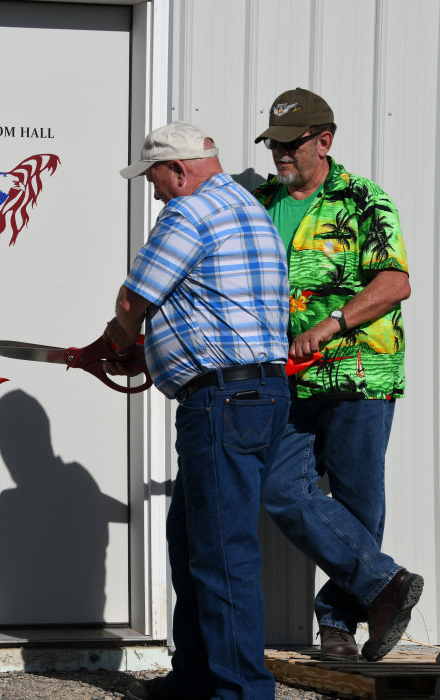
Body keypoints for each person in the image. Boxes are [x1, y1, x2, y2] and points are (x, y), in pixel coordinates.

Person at [105, 122, 291, 700]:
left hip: (220, 402)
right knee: (193, 540)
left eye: (156, 179)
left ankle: (242, 693)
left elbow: (135, 298)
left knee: (221, 554)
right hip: (260, 395)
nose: (155, 192)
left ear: (180, 171)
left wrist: (118, 341)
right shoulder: (248, 209)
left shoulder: (186, 215)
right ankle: (194, 682)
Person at [252, 88, 422, 663]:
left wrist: (330, 324)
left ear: (324, 141)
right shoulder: (257, 202)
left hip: (359, 372)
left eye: (291, 143)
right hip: (287, 377)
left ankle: (338, 626)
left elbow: (394, 283)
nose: (280, 153)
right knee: (280, 490)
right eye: (273, 142)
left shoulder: (363, 201)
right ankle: (387, 583)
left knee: (357, 503)